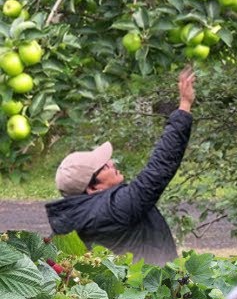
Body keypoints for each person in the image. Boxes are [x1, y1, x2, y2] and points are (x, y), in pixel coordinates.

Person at [44, 67, 197, 266]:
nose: (111, 163)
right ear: (92, 188)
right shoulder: (114, 209)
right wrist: (184, 106)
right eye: (104, 166)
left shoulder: (68, 224)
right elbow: (160, 168)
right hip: (151, 289)